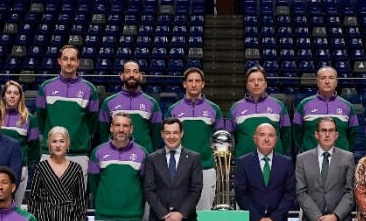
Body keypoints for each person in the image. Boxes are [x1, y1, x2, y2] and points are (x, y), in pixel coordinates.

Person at [166, 67, 227, 211]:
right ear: (184, 84)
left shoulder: (214, 109)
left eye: (197, 81)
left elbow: (220, 142)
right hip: (178, 169)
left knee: (204, 214)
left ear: (203, 84)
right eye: (190, 81)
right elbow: (166, 139)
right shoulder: (173, 110)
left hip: (205, 168)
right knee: (179, 212)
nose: (194, 84)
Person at [35, 44, 102, 165]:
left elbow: (92, 123)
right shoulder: (45, 87)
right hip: (49, 153)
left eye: (73, 59)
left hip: (79, 155)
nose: (69, 63)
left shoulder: (90, 89)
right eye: (65, 59)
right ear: (59, 61)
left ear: (78, 62)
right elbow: (40, 118)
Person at [294, 66, 362, 152]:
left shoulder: (347, 106)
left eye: (331, 78)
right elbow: (297, 133)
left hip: (340, 160)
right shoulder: (304, 104)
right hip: (310, 160)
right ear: (317, 82)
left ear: (336, 82)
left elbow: (353, 134)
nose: (327, 81)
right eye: (323, 78)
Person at [101, 58, 162, 151]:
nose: (131, 75)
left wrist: (148, 151)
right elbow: (103, 132)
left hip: (144, 159)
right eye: (127, 71)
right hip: (116, 157)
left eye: (135, 71)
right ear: (122, 76)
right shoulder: (109, 102)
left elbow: (156, 134)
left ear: (140, 76)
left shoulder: (152, 103)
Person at [230, 67, 291, 156]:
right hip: (244, 165)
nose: (256, 83)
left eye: (260, 80)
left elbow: (286, 136)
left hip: (274, 164)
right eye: (251, 80)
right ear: (246, 85)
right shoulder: (235, 108)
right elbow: (231, 138)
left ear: (265, 84)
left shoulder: (279, 106)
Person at [0, 79, 40, 200]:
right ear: (3, 96)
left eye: (16, 93)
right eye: (9, 92)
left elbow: (34, 147)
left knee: (15, 208)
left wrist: (25, 163)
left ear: (20, 97)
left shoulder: (29, 119)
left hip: (19, 170)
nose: (12, 96)